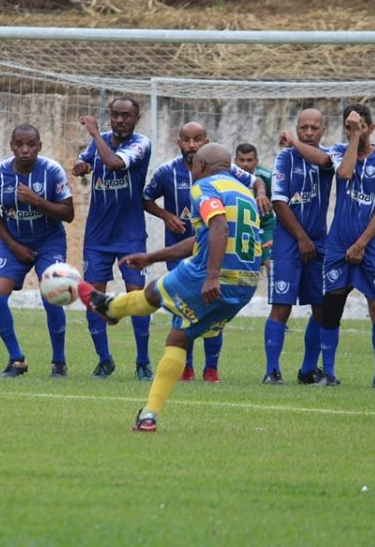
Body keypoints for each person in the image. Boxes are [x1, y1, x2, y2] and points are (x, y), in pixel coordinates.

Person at [78, 142, 262, 432]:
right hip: (245, 285)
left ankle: (111, 307)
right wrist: (152, 256)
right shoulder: (244, 192)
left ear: (199, 166)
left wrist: (212, 276)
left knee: (153, 292)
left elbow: (219, 228)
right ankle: (149, 415)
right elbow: (203, 239)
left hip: (211, 274)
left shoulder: (204, 187)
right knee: (178, 338)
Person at [143, 122, 270, 382]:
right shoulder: (167, 171)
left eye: (198, 139)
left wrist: (260, 193)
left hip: (214, 254)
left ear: (206, 141)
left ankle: (211, 368)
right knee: (183, 310)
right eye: (186, 139)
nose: (192, 145)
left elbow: (256, 180)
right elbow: (145, 197)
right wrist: (166, 215)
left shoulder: (224, 171)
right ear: (178, 142)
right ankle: (185, 368)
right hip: (181, 250)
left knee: (212, 312)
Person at [291, 103, 375, 390]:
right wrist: (352, 137)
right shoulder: (339, 151)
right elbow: (346, 174)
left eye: (360, 127)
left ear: (371, 128)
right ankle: (329, 373)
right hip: (338, 244)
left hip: (370, 245)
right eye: (349, 127)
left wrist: (362, 243)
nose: (355, 132)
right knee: (331, 307)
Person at [0, 123, 75, 378]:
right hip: (13, 242)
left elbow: (68, 214)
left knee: (52, 293)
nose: (25, 150)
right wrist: (14, 246)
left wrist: (37, 201)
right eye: (20, 145)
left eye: (31, 145)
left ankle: (59, 362)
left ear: (39, 146)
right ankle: (16, 360)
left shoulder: (52, 171)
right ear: (12, 146)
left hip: (49, 241)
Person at [72, 97, 153, 380]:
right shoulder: (101, 140)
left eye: (126, 116)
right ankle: (104, 360)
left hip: (130, 234)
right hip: (98, 236)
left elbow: (115, 163)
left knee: (138, 297)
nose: (120, 120)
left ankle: (143, 361)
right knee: (95, 299)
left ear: (136, 118)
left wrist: (94, 133)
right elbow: (83, 162)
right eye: (115, 115)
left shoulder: (141, 144)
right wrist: (80, 166)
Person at [261, 109, 335, 385]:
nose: (309, 132)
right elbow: (279, 202)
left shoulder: (330, 156)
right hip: (288, 242)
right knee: (282, 304)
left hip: (319, 242)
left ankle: (307, 370)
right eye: (304, 127)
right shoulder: (284, 158)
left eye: (315, 128)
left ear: (323, 130)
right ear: (297, 127)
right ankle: (272, 370)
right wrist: (301, 238)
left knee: (320, 306)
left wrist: (295, 142)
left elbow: (327, 162)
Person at [235, 143, 277, 273]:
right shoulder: (230, 178)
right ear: (235, 161)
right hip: (241, 228)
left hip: (265, 227)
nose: (245, 164)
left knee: (271, 264)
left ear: (256, 161)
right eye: (242, 160)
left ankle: (276, 292)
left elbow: (281, 204)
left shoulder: (268, 177)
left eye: (249, 160)